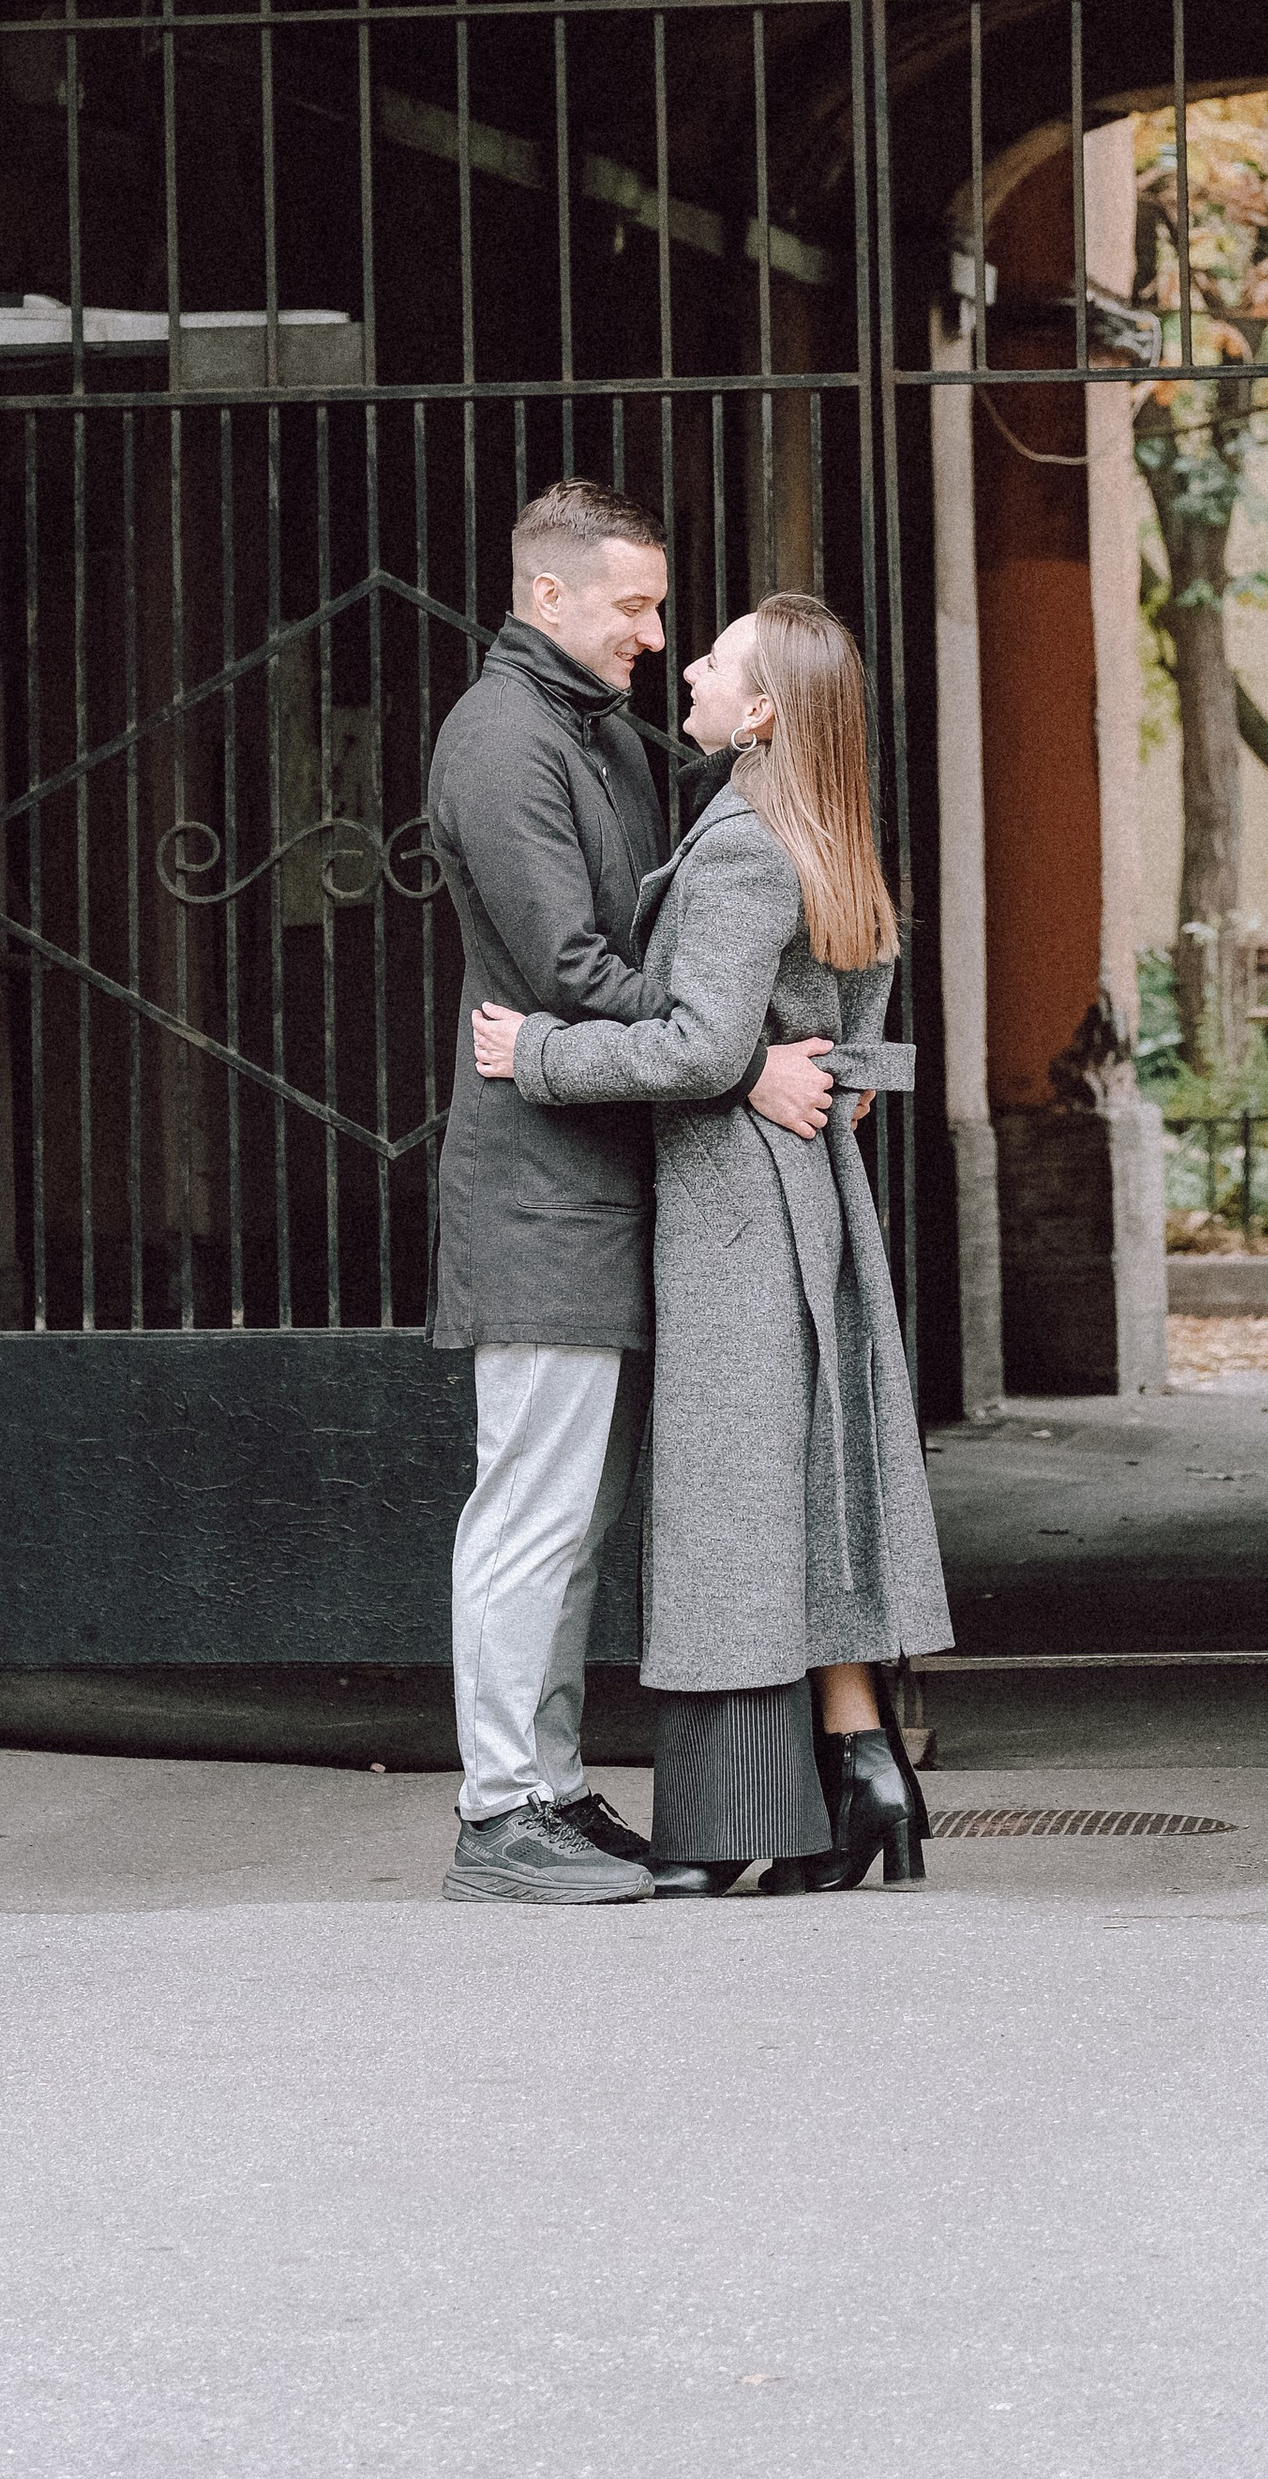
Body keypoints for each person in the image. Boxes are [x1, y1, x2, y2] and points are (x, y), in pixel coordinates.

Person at [473, 590, 952, 1896]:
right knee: (792, 1490)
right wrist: (814, 1073)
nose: (686, 661)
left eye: (718, 658)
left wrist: (543, 1052)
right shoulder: (828, 835)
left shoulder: (744, 845)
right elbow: (860, 1046)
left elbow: (694, 1040)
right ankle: (860, 1776)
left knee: (725, 1514)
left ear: (764, 712)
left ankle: (736, 1821)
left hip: (738, 1211)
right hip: (814, 1199)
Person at [426, 484, 840, 1907]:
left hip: (604, 1176)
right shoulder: (500, 743)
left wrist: (716, 1053)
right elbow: (571, 978)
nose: (656, 637)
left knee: (574, 1520)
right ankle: (498, 1814)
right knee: (528, 1509)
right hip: (537, 1193)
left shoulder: (594, 736)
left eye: (665, 611)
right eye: (634, 608)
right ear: (550, 599)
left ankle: (546, 1788)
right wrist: (732, 1068)